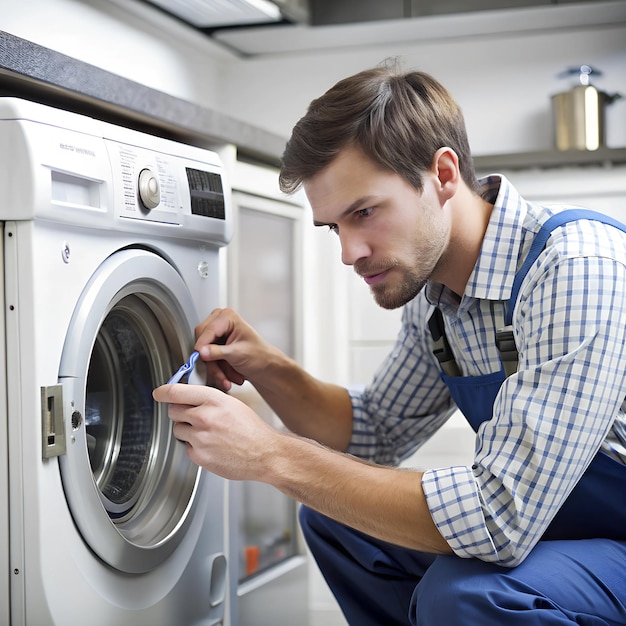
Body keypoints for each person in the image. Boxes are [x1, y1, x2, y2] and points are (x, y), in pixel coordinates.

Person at [153, 63, 626, 625]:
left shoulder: (575, 268)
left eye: (364, 212)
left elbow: (500, 518)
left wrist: (269, 455)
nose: (349, 252)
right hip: (560, 528)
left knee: (466, 596)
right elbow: (375, 432)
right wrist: (269, 367)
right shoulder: (436, 294)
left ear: (443, 175)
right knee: (337, 520)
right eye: (333, 227)